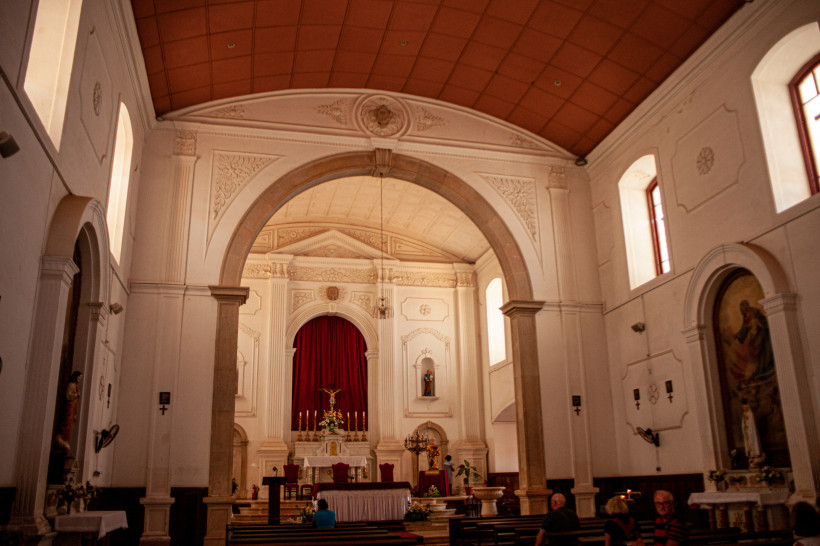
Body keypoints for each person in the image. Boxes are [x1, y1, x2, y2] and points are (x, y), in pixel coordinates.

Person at [54, 371, 83, 454]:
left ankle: (65, 439)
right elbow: (68, 395)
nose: (79, 379)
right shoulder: (71, 385)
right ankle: (61, 438)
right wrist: (76, 395)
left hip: (73, 407)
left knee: (70, 424)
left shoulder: (75, 386)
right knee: (66, 422)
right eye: (79, 377)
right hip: (69, 406)